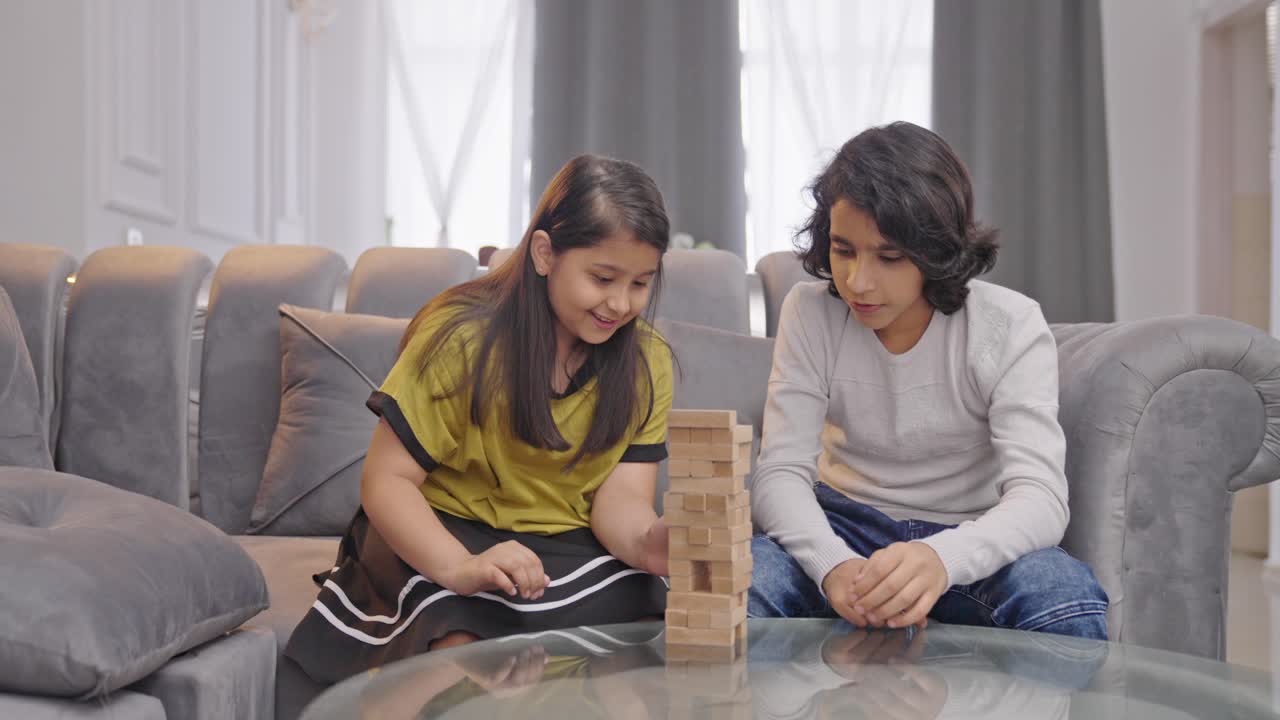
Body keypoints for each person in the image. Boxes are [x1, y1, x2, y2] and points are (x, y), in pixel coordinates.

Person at [286, 154, 675, 683]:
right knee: (461, 643)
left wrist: (651, 544)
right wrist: (460, 567)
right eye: (603, 277)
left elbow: (621, 499)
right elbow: (387, 481)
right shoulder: (461, 337)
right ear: (544, 253)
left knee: (650, 630)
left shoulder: (647, 360)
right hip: (438, 529)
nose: (620, 303)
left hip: (563, 544)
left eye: (640, 284)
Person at [748, 122, 1109, 638]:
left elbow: (1041, 498)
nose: (858, 282)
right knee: (740, 586)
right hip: (841, 523)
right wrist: (833, 566)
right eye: (844, 250)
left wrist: (940, 558)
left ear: (935, 250)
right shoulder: (810, 312)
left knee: (1064, 599)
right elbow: (780, 472)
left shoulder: (1010, 324)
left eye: (889, 257)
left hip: (970, 532)